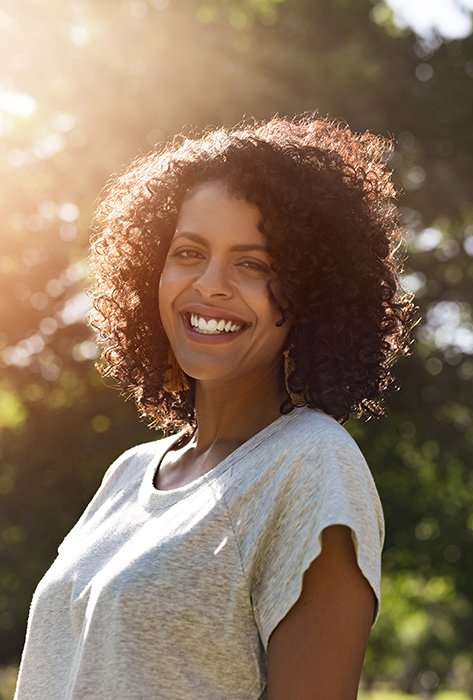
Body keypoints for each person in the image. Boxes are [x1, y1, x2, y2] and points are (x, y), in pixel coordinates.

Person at [14, 115, 415, 699]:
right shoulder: (128, 474)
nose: (211, 285)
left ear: (311, 292)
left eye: (252, 264)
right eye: (188, 252)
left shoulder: (312, 466)